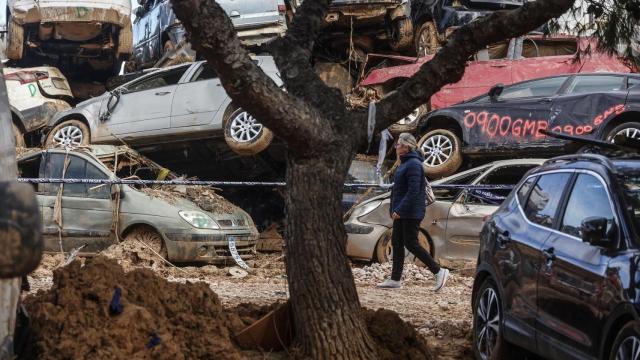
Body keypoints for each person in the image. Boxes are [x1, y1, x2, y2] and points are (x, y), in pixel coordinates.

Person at [377, 133, 449, 290]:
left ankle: (439, 271)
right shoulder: (404, 163)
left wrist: (400, 209)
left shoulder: (414, 164)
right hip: (401, 211)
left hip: (411, 212)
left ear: (406, 147)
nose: (396, 147)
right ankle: (395, 279)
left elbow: (413, 190)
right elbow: (397, 189)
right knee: (397, 242)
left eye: (398, 144)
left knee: (411, 243)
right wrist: (393, 209)